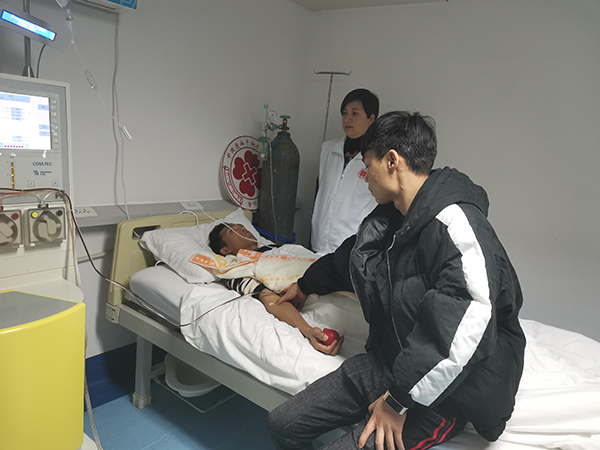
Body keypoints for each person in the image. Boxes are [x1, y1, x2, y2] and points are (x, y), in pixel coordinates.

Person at [269, 111, 526, 450]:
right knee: (282, 424)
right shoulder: (392, 220)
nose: (364, 176)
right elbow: (350, 260)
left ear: (392, 161)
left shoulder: (457, 226)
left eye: (367, 165)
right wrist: (304, 286)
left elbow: (465, 328)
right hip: (391, 362)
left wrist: (396, 401)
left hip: (446, 392)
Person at [207, 222, 342, 355]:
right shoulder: (238, 269)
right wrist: (308, 330)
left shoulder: (282, 248)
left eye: (241, 226)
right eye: (232, 231)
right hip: (329, 298)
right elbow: (271, 299)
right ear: (225, 250)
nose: (242, 229)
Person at [311, 88, 379, 254]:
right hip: (319, 240)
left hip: (353, 245)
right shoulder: (328, 149)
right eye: (344, 113)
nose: (348, 119)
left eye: (355, 113)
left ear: (371, 119)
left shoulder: (378, 156)